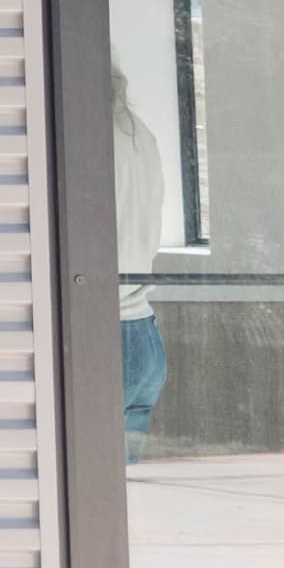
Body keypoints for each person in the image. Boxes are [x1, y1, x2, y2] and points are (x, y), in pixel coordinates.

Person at [109, 66, 170, 462]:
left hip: (106, 332)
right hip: (144, 331)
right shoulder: (138, 134)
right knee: (121, 492)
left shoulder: (87, 137)